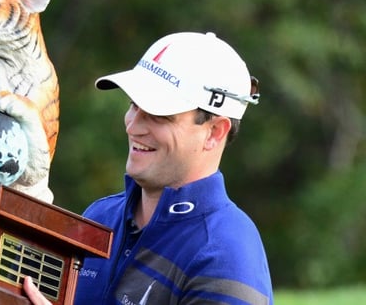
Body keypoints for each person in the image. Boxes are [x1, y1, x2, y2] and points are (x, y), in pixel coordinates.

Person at [24, 32, 272, 304]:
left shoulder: (227, 252)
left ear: (214, 132)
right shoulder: (99, 217)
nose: (133, 125)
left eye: (157, 114)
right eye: (134, 104)